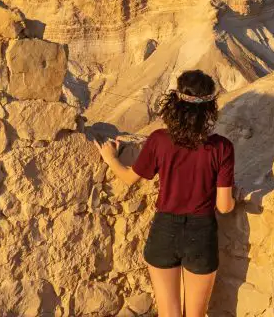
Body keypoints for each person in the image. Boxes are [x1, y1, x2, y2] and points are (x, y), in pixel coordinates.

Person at [94, 69, 236, 317]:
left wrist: (111, 158)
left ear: (176, 104)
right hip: (202, 233)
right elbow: (224, 207)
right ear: (209, 108)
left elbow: (129, 177)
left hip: (165, 230)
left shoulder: (159, 140)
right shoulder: (222, 148)